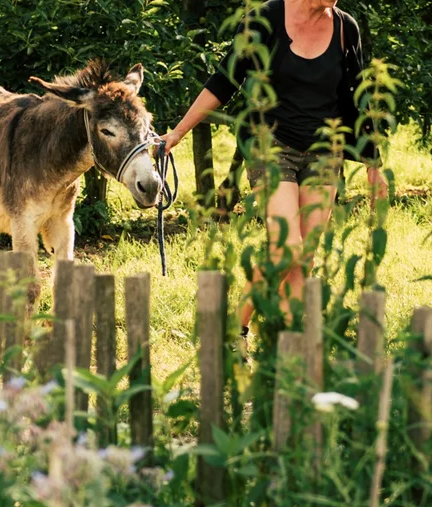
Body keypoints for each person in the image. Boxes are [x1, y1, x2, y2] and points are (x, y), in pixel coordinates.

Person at [162, 0, 386, 327]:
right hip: (272, 146)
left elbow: (358, 98)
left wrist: (373, 165)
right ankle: (233, 331)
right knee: (285, 249)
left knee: (304, 257)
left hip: (325, 152)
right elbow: (225, 81)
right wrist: (178, 133)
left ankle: (285, 350)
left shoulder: (345, 28)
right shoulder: (266, 20)